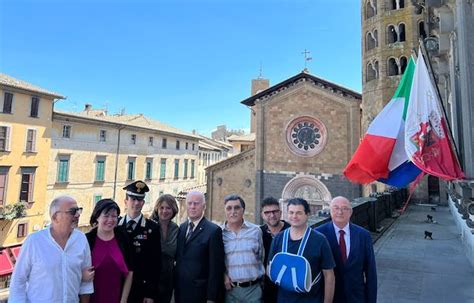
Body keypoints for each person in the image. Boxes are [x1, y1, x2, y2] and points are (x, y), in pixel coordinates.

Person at [9, 196, 94, 303]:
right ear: (55, 217)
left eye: (78, 210)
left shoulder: (81, 239)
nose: (78, 214)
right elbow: (18, 281)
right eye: (72, 211)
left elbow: (87, 282)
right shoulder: (34, 242)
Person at [268, 198, 335, 303]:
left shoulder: (319, 240)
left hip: (312, 299)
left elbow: (329, 275)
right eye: (291, 212)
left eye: (299, 213)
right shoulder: (279, 238)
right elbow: (270, 267)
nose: (294, 216)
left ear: (307, 214)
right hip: (283, 299)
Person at [316, 196, 377, 303]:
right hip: (329, 297)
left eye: (344, 208)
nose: (340, 212)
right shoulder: (318, 234)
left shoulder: (363, 235)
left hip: (356, 297)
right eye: (336, 208)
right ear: (330, 211)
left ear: (351, 212)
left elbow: (370, 272)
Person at [174, 191, 225, 303]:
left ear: (204, 206)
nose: (192, 207)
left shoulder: (213, 231)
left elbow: (215, 269)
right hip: (180, 293)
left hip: (200, 295)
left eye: (196, 203)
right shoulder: (181, 228)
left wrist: (211, 298)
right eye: (190, 203)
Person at [117, 180, 161, 303]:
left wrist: (150, 293)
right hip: (118, 286)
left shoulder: (152, 228)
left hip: (140, 289)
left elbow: (155, 264)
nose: (136, 203)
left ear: (143, 203)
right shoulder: (115, 226)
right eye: (133, 199)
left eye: (140, 200)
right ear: (126, 201)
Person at [86, 199, 133, 303]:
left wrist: (123, 300)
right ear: (97, 217)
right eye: (106, 216)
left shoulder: (123, 237)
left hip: (117, 297)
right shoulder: (87, 240)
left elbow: (130, 271)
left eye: (114, 216)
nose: (110, 220)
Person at [222, 194, 265, 303]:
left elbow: (261, 257)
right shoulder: (219, 233)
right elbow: (217, 260)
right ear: (225, 211)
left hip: (253, 290)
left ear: (243, 210)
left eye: (237, 207)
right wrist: (223, 275)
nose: (233, 212)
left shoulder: (256, 231)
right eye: (229, 208)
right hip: (230, 291)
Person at [259, 197, 290, 303]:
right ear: (262, 215)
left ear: (280, 212)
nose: (272, 215)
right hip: (266, 287)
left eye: (275, 211)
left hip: (288, 286)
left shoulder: (291, 231)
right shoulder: (258, 233)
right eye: (267, 212)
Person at [150, 194, 179, 303]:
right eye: (161, 207)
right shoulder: (150, 227)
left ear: (173, 210)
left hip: (168, 280)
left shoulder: (175, 228)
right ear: (157, 209)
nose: (164, 211)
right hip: (152, 279)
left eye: (168, 208)